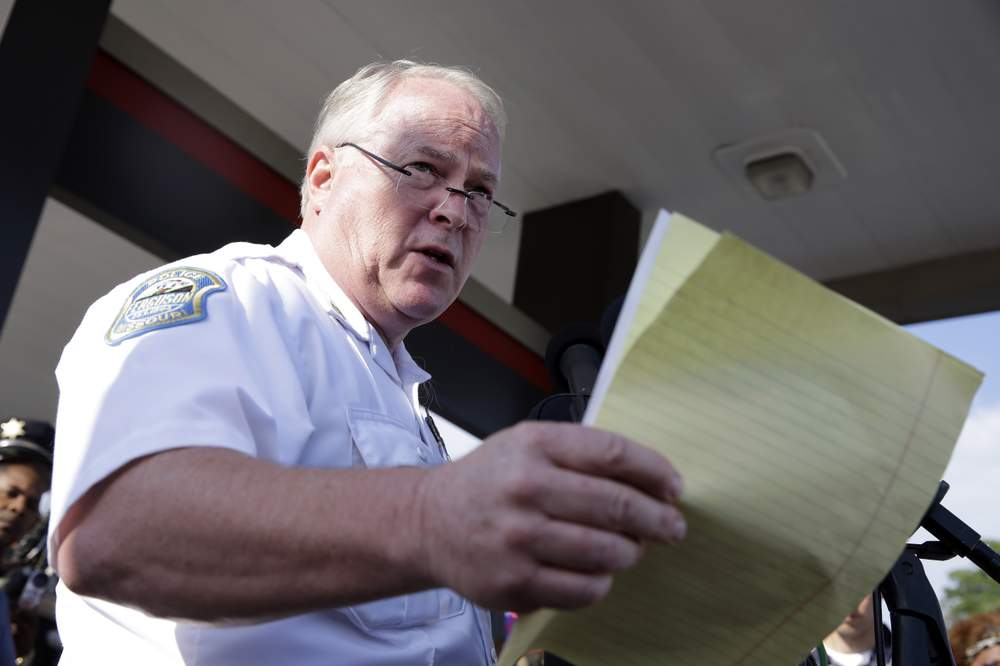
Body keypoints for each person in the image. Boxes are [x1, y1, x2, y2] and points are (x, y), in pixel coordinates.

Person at [48, 61, 687, 665]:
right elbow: (114, 532)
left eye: (479, 191)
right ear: (324, 178)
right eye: (421, 169)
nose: (455, 211)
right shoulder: (232, 300)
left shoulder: (410, 402)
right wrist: (433, 516)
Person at [0, 417, 55, 666]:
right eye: (11, 493)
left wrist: (21, 652)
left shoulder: (17, 593)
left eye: (32, 504)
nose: (18, 508)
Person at [800, 595, 891, 666]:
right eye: (837, 586)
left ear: (882, 591)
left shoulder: (904, 657)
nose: (848, 601)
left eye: (860, 587)